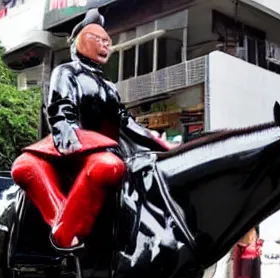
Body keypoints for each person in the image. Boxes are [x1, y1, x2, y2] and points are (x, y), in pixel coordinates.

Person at [11, 8, 172, 251]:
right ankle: (62, 224)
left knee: (108, 165)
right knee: (25, 166)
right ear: (81, 41)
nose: (106, 45)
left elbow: (126, 123)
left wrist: (160, 144)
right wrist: (72, 143)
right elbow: (60, 111)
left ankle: (67, 231)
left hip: (103, 151)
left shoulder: (110, 87)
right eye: (99, 39)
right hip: (70, 144)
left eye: (108, 41)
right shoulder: (65, 72)